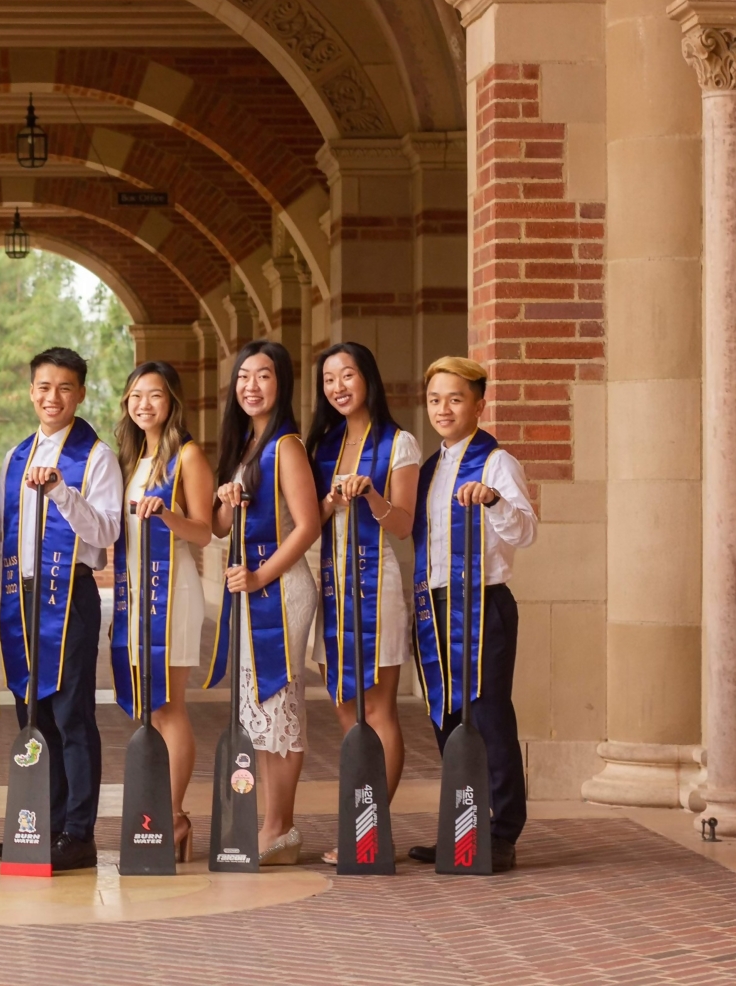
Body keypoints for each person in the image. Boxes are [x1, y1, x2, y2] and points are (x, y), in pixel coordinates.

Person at [0, 347, 123, 872]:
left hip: (70, 593)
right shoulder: (15, 456)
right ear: (31, 391)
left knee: (71, 712)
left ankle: (78, 830)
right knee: (33, 712)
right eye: (44, 387)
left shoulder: (96, 458)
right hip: (21, 594)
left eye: (65, 388)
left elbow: (107, 532)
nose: (53, 397)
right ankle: (38, 823)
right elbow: (4, 531)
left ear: (81, 393)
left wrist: (63, 494)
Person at [405, 356, 537, 873]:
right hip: (434, 606)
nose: (443, 408)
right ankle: (463, 827)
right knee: (448, 716)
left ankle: (501, 832)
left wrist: (493, 502)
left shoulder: (497, 462)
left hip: (483, 605)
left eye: (455, 398)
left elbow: (525, 532)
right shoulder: (431, 469)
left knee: (487, 716)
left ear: (479, 405)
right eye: (435, 399)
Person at [207, 340, 321, 865]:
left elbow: (306, 525)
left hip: (280, 587)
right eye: (244, 377)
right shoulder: (245, 447)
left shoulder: (287, 446)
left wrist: (260, 577)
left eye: (265, 376)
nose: (252, 386)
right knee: (261, 708)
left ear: (283, 384)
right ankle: (276, 826)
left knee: (278, 702)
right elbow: (219, 528)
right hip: (251, 588)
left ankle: (280, 826)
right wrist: (227, 501)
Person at [306, 342, 420, 865]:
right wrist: (331, 500)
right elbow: (310, 524)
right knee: (345, 706)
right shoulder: (322, 446)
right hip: (333, 586)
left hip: (380, 586)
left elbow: (402, 522)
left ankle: (371, 826)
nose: (338, 387)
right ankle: (360, 817)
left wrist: (371, 495)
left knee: (377, 707)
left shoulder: (400, 443)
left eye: (347, 375)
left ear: (367, 378)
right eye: (329, 379)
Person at [110, 361, 213, 862]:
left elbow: (206, 529)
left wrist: (166, 514)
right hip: (136, 595)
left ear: (172, 400)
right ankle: (158, 810)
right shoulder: (132, 458)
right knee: (150, 708)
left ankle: (172, 816)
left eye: (154, 395)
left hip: (172, 592)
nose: (144, 404)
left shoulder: (186, 455)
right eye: (135, 396)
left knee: (170, 706)